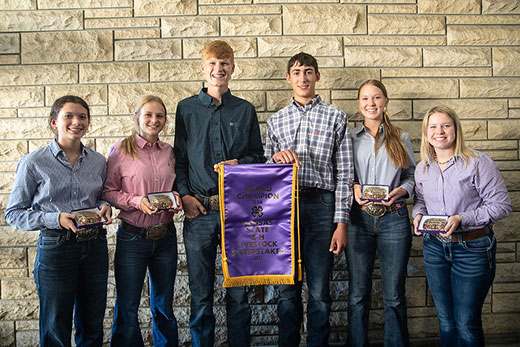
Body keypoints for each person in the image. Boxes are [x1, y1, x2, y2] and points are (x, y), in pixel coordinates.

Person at [174, 40, 264, 347]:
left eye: (224, 63)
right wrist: (184, 196)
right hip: (199, 211)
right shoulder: (185, 109)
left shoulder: (245, 109)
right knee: (200, 293)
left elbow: (258, 156)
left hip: (237, 212)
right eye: (212, 63)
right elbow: (180, 159)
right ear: (202, 67)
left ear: (233, 69)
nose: (218, 69)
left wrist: (240, 163)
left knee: (239, 292)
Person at [4, 95, 111, 346]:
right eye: (69, 116)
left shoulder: (98, 161)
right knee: (55, 325)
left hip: (95, 246)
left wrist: (104, 206)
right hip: (56, 247)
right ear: (54, 122)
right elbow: (14, 213)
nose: (76, 121)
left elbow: (99, 199)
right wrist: (56, 219)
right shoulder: (33, 163)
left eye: (82, 117)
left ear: (88, 122)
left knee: (93, 322)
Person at [264, 52, 354, 347]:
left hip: (322, 206)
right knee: (287, 289)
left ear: (317, 76)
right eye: (297, 72)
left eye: (309, 71)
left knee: (319, 289)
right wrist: (275, 159)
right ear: (288, 78)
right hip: (284, 210)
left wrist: (341, 222)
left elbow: (345, 174)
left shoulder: (336, 117)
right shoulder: (276, 121)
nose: (303, 77)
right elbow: (264, 175)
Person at [412, 106, 511, 347]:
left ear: (456, 129)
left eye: (446, 125)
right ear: (426, 132)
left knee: (466, 323)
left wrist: (461, 218)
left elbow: (501, 206)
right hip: (435, 248)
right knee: (445, 321)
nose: (440, 131)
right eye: (433, 126)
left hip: (472, 249)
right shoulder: (422, 167)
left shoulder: (478, 162)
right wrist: (417, 216)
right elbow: (421, 202)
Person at [102, 95, 182, 347]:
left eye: (159, 116)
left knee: (164, 304)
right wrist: (137, 202)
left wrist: (177, 197)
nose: (154, 120)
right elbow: (107, 192)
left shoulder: (169, 151)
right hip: (132, 237)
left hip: (165, 237)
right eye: (148, 114)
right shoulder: (121, 150)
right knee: (127, 305)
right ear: (137, 117)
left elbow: (174, 186)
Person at [346, 79, 415, 347]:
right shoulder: (349, 138)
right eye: (365, 99)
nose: (371, 103)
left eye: (376, 98)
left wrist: (403, 191)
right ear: (359, 105)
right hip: (358, 220)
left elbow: (411, 176)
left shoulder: (401, 136)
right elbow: (343, 174)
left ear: (386, 101)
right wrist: (353, 187)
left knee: (394, 294)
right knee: (357, 294)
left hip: (394, 220)